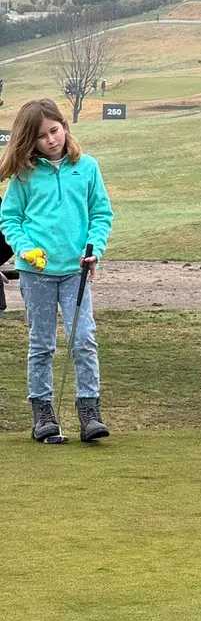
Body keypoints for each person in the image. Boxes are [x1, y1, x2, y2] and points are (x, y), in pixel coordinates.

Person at [0, 99, 114, 442]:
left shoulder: (87, 167)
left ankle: (89, 411)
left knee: (83, 340)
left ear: (64, 126)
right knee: (42, 344)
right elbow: (10, 219)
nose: (51, 139)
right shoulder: (24, 175)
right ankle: (43, 413)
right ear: (30, 141)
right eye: (42, 136)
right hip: (36, 273)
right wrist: (25, 248)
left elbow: (101, 214)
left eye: (55, 130)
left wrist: (94, 249)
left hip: (75, 271)